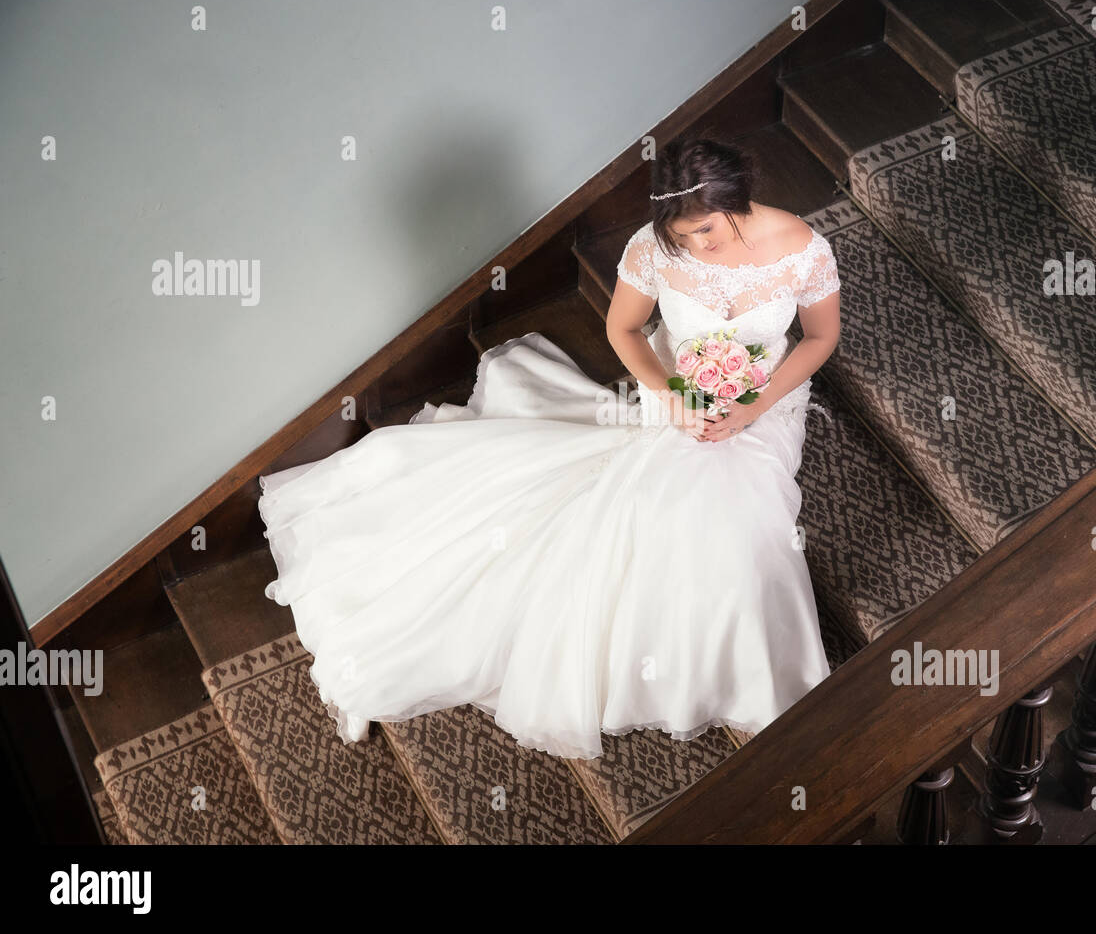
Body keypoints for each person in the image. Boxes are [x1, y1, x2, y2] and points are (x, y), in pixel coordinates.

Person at [257, 135, 843, 759]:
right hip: (673, 391)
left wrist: (751, 406)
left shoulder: (801, 248)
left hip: (768, 401)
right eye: (683, 235)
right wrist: (671, 394)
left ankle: (739, 669)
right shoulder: (652, 248)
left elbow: (817, 338)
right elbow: (623, 328)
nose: (696, 244)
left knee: (739, 509)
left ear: (737, 200)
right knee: (668, 493)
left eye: (705, 229)